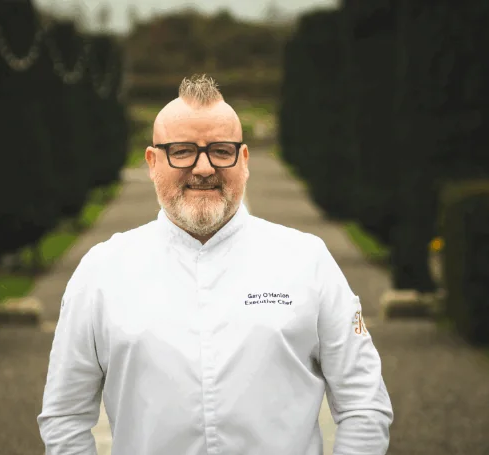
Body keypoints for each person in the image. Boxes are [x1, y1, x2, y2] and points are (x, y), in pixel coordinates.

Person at [37, 74, 394, 455]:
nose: (204, 168)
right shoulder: (102, 271)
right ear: (152, 161)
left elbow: (363, 403)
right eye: (182, 150)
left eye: (220, 150)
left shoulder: (308, 260)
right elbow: (64, 415)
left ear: (243, 160)